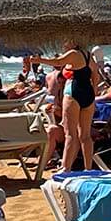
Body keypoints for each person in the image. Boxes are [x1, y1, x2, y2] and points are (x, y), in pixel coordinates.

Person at [29, 44, 101, 175]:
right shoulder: (88, 55)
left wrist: (39, 60)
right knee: (85, 135)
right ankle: (88, 168)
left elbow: (58, 62)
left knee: (70, 134)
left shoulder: (73, 53)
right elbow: (96, 75)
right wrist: (94, 91)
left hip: (74, 90)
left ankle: (65, 168)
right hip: (88, 93)